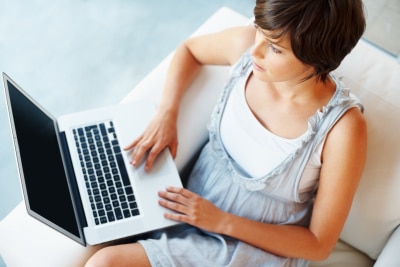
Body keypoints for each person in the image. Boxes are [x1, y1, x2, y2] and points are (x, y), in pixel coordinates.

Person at [85, 0, 367, 266]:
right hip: (189, 205)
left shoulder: (343, 129)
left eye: (275, 48)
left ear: (317, 59)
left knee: (105, 262)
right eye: (260, 31)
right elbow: (190, 50)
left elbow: (318, 244)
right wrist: (167, 113)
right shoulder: (245, 48)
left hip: (255, 248)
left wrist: (220, 221)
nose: (256, 50)